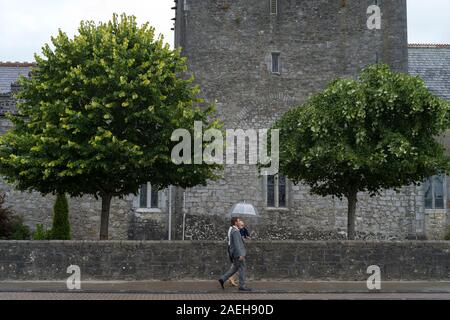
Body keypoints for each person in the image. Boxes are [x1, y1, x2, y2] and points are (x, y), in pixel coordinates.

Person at [219, 217, 252, 292]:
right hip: (238, 254)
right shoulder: (235, 231)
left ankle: (222, 279)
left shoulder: (235, 230)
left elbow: (238, 241)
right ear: (235, 222)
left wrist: (244, 238)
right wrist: (241, 254)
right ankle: (242, 286)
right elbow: (237, 244)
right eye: (239, 220)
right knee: (242, 269)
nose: (240, 221)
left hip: (236, 253)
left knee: (235, 268)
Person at [229, 219, 251, 287]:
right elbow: (236, 243)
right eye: (241, 224)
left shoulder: (242, 230)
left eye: (243, 225)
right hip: (237, 251)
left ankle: (230, 278)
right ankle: (231, 278)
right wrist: (240, 254)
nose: (242, 226)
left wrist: (246, 237)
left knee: (237, 266)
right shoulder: (235, 231)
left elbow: (247, 236)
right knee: (237, 266)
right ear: (237, 223)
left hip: (241, 250)